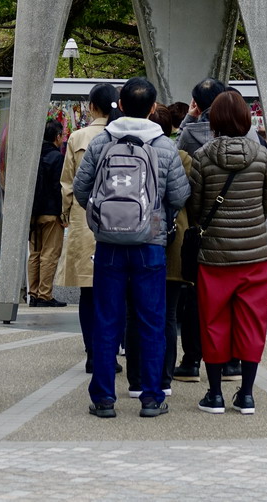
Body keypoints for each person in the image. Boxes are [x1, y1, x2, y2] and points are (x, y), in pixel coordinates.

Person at [73, 75, 189, 420]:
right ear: (153, 108)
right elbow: (178, 196)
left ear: (120, 105)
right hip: (150, 242)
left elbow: (81, 190)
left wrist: (103, 218)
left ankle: (103, 398)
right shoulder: (164, 146)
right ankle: (151, 397)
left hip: (108, 243)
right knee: (152, 321)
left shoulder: (101, 142)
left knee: (107, 321)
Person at [189, 90, 267, 415]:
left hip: (214, 256)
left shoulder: (202, 157)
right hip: (253, 255)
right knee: (252, 323)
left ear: (214, 120)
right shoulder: (262, 156)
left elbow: (195, 207)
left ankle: (214, 394)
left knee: (213, 322)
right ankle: (247, 394)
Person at [174, 78, 246, 382]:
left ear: (197, 104)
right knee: (233, 298)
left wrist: (188, 120)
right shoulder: (252, 141)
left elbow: (181, 177)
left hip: (204, 229)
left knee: (195, 296)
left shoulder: (191, 139)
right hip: (243, 234)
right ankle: (231, 362)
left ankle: (192, 361)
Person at [123, 103, 192, 397]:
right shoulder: (181, 156)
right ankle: (164, 378)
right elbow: (181, 197)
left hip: (134, 237)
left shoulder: (126, 151)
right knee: (168, 315)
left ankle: (136, 379)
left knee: (134, 314)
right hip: (172, 241)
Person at [60, 82, 120, 370]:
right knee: (116, 291)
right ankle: (112, 351)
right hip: (121, 219)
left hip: (85, 218)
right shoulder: (125, 134)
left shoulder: (78, 137)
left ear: (92, 106)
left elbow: (67, 183)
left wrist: (67, 212)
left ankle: (92, 353)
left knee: (88, 289)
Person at [28, 120, 67, 307]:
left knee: (35, 253)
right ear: (57, 137)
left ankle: (33, 293)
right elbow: (58, 187)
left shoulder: (33, 155)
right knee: (50, 253)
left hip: (33, 213)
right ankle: (44, 294)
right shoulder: (57, 157)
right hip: (51, 212)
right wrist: (63, 213)